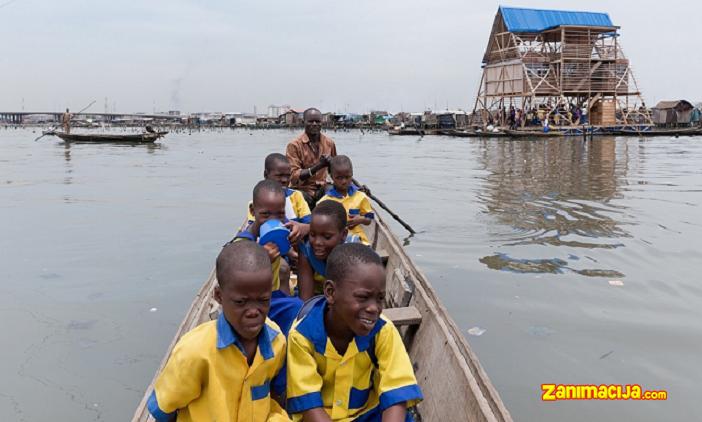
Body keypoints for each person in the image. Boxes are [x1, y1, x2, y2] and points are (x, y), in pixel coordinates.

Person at [147, 241, 290, 421]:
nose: (254, 311)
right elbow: (164, 407)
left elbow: (273, 391)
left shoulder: (277, 341)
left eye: (263, 300)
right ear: (219, 296)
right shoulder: (195, 351)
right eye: (240, 302)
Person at [286, 243, 423, 421]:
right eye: (363, 297)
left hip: (368, 414)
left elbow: (397, 394)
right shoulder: (302, 336)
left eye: (380, 298)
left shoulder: (384, 331)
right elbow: (309, 406)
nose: (374, 308)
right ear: (330, 292)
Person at [235, 179, 303, 336]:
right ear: (253, 211)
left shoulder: (282, 232)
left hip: (273, 296)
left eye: (279, 214)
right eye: (265, 214)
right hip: (251, 301)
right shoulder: (242, 243)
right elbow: (238, 281)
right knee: (297, 308)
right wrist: (260, 258)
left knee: (301, 308)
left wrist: (297, 239)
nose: (273, 220)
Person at [297, 200, 360, 301]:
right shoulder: (306, 249)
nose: (317, 242)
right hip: (318, 300)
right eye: (312, 235)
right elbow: (306, 299)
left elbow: (352, 299)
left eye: (327, 237)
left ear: (343, 235)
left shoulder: (354, 253)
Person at [246, 153, 311, 244]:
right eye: (279, 175)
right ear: (266, 174)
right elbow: (253, 230)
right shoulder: (257, 203)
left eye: (288, 176)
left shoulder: (296, 196)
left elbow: (310, 224)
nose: (284, 180)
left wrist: (300, 227)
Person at [286, 108, 337, 208]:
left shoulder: (329, 143)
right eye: (310, 121)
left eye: (317, 121)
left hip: (322, 188)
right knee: (299, 197)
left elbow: (337, 170)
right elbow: (293, 177)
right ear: (303, 122)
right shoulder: (294, 145)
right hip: (302, 189)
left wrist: (354, 188)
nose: (314, 124)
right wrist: (318, 166)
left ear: (322, 123)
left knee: (333, 191)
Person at [317, 155, 373, 245]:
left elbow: (369, 218)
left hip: (358, 239)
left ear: (352, 175)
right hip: (335, 241)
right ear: (331, 177)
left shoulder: (361, 196)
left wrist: (360, 219)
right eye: (339, 178)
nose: (344, 181)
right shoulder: (325, 202)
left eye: (347, 177)